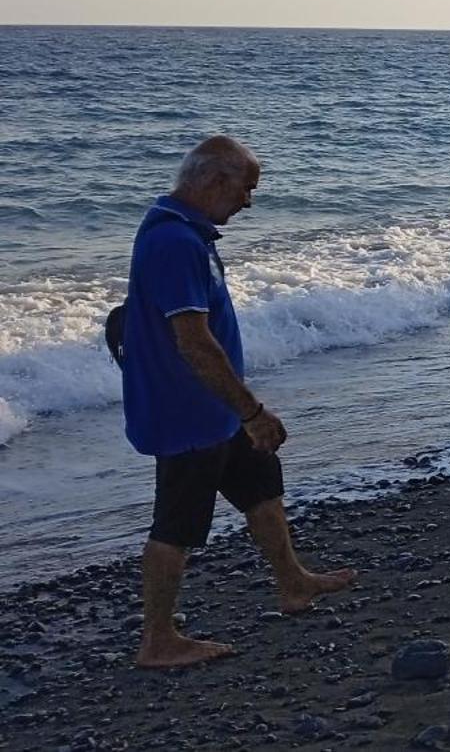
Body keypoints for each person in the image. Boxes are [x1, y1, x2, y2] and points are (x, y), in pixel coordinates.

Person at [122, 136, 355, 668]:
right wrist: (252, 410)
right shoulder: (174, 242)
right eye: (246, 188)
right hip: (188, 412)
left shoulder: (185, 233)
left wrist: (244, 414)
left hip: (216, 408)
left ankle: (293, 583)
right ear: (215, 181)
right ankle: (157, 639)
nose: (248, 202)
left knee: (261, 486)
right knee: (176, 525)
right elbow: (193, 341)